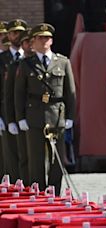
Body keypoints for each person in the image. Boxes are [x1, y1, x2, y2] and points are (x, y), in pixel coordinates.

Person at [15, 23, 76, 195]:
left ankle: (54, 193)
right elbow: (18, 93)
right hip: (34, 116)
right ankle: (38, 193)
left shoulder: (63, 62)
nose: (44, 41)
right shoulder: (26, 64)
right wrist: (20, 118)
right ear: (33, 41)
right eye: (40, 38)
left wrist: (71, 116)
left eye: (47, 38)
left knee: (57, 160)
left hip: (57, 116)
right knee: (36, 160)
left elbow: (70, 92)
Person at [4, 29, 33, 185]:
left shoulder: (40, 62)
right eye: (27, 42)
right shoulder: (15, 66)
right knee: (21, 155)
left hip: (36, 114)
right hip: (18, 114)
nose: (30, 45)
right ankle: (22, 186)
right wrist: (9, 119)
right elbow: (8, 95)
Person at [0, 19, 27, 183]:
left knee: (28, 155)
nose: (16, 36)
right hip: (6, 112)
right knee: (9, 155)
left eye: (19, 32)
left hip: (28, 111)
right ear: (8, 36)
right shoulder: (1, 59)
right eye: (12, 32)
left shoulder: (30, 58)